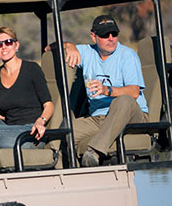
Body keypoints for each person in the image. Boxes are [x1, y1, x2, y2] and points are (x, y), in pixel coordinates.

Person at [51, 15, 148, 167]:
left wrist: (106, 90)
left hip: (130, 116)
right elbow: (52, 46)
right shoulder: (87, 52)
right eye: (104, 35)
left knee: (124, 100)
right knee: (63, 133)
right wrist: (69, 45)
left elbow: (134, 92)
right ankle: (68, 176)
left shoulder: (127, 55)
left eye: (114, 34)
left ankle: (94, 151)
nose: (111, 39)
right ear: (94, 37)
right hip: (99, 118)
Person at [0, 27, 54, 175]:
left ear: (16, 45)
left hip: (29, 133)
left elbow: (49, 105)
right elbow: (3, 114)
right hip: (7, 128)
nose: (3, 47)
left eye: (8, 42)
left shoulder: (32, 69)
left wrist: (41, 120)